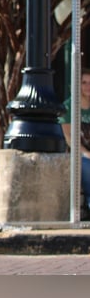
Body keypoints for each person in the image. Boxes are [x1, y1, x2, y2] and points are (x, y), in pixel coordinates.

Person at [59, 67, 90, 212]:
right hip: (78, 154)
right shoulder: (68, 106)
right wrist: (87, 154)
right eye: (84, 82)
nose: (87, 86)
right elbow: (69, 137)